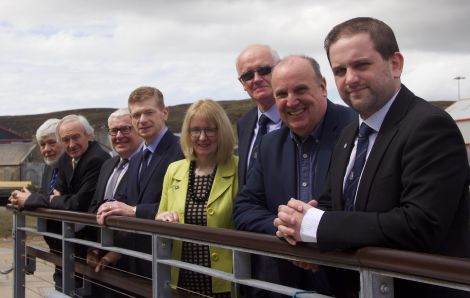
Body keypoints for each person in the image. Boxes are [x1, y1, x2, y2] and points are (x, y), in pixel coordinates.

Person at [275, 17, 470, 298]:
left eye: (361, 65)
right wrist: (297, 223)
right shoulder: (349, 134)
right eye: (340, 70)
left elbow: (421, 224)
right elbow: (334, 203)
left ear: (395, 64)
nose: (350, 79)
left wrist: (319, 227)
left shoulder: (430, 126)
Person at [233, 55, 356, 296]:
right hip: (283, 283)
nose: (291, 102)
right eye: (281, 94)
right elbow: (244, 207)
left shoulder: (355, 129)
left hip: (346, 280)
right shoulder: (269, 144)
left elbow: (363, 206)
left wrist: (314, 232)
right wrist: (286, 229)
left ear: (322, 86)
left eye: (300, 90)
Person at [10, 114, 110, 291]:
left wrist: (35, 199)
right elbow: (58, 197)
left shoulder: (95, 159)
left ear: (89, 135)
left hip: (84, 247)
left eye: (75, 137)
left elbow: (76, 204)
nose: (71, 144)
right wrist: (52, 199)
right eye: (66, 139)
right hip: (62, 247)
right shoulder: (61, 162)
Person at [97, 86, 182, 278]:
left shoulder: (182, 151)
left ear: (164, 113)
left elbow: (181, 209)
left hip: (169, 262)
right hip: (137, 263)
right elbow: (126, 202)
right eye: (136, 115)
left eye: (148, 112)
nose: (142, 120)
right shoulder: (136, 158)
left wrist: (134, 211)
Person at [156, 99, 238, 297]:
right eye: (196, 130)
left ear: (222, 132)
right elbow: (159, 215)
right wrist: (163, 218)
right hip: (181, 277)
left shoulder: (239, 168)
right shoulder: (174, 170)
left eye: (210, 130)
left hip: (224, 281)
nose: (202, 137)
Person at [87, 108, 142, 274]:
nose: (119, 136)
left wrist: (117, 251)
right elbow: (94, 207)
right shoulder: (108, 165)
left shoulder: (147, 165)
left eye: (125, 129)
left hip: (134, 261)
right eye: (113, 131)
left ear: (139, 130)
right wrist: (94, 248)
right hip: (102, 259)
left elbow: (142, 209)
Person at [236, 44, 282, 191]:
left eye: (264, 70)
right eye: (248, 75)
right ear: (242, 83)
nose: (256, 79)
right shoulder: (244, 124)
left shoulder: (301, 117)